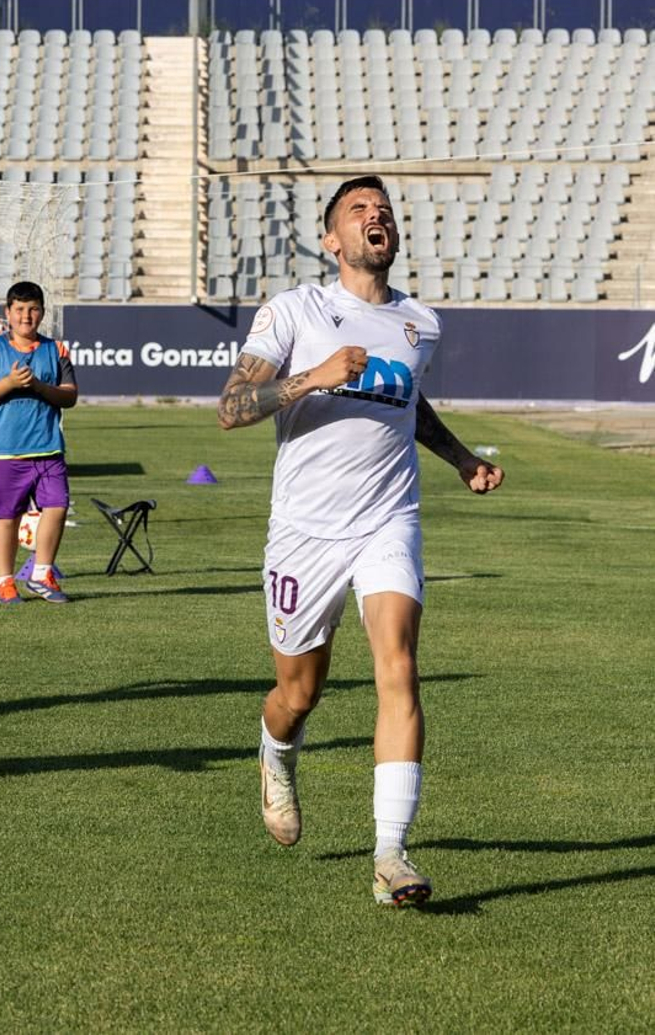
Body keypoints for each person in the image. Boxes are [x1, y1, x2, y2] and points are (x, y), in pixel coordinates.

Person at [217, 174, 504, 907]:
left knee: (399, 666)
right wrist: (312, 375)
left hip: (388, 518)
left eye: (383, 210)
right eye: (358, 209)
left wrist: (462, 458)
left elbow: (411, 401)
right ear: (331, 239)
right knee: (297, 690)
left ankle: (390, 855)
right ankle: (275, 752)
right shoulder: (294, 311)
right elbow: (231, 407)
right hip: (303, 531)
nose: (375, 216)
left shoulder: (421, 324)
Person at [0, 280, 78, 605]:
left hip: (48, 448)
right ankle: (4, 582)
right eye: (19, 310)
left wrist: (40, 388)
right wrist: (10, 382)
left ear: (42, 313)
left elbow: (70, 396)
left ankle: (42, 574)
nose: (26, 316)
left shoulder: (55, 349)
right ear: (8, 313)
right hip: (5, 452)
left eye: (33, 309)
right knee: (7, 517)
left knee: (57, 507)